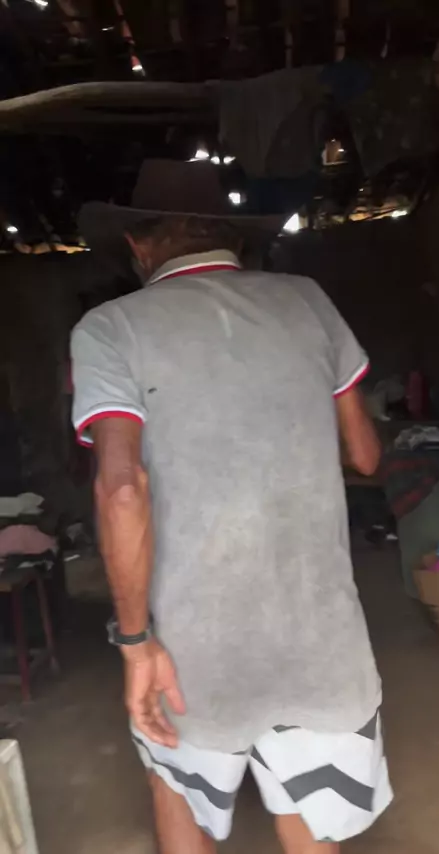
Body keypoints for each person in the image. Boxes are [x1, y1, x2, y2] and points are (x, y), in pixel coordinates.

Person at [71, 165, 392, 854]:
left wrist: (135, 644)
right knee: (310, 816)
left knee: (176, 793)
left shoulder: (109, 328)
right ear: (234, 238)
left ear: (138, 245)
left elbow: (122, 489)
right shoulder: (307, 300)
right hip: (319, 636)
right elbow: (366, 454)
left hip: (190, 649)